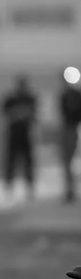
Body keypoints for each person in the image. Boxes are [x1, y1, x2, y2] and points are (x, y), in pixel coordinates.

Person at [0, 75, 37, 200]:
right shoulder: (11, 99)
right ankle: (9, 188)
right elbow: (5, 113)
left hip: (25, 134)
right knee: (11, 162)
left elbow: (33, 115)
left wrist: (22, 114)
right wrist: (18, 114)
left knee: (28, 163)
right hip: (14, 134)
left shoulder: (30, 98)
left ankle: (29, 187)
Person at [57, 75, 81, 203]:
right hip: (68, 129)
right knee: (67, 162)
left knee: (68, 161)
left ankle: (71, 190)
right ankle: (70, 189)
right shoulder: (65, 95)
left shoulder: (73, 95)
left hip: (71, 129)